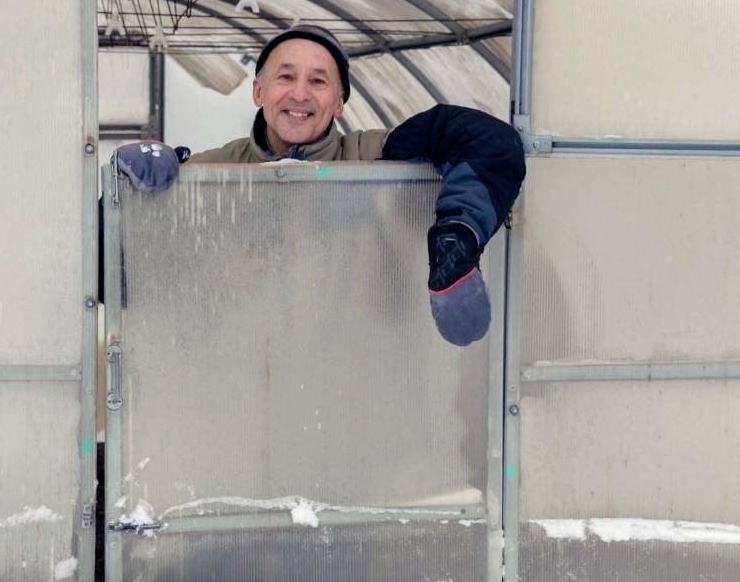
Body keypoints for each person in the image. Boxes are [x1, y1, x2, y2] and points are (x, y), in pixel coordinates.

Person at [111, 22, 525, 346]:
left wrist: (455, 241)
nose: (300, 94)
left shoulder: (376, 156)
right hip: (240, 397)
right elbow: (112, 275)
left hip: (349, 387)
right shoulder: (212, 173)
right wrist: (122, 197)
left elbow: (487, 143)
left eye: (319, 81)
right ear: (258, 91)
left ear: (340, 101)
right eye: (285, 77)